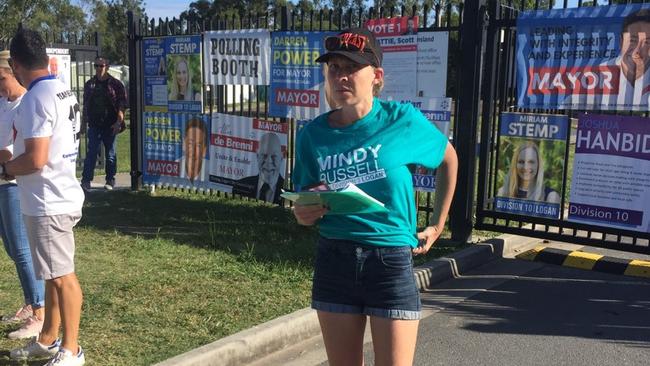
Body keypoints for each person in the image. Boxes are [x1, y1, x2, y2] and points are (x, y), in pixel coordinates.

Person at [292, 28, 458, 366]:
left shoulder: (402, 120)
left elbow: (448, 159)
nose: (341, 76)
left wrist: (438, 225)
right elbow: (306, 197)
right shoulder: (312, 135)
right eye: (334, 68)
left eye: (351, 67)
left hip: (390, 261)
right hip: (334, 258)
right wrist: (303, 212)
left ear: (376, 76)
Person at [7, 28, 86, 366]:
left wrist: (7, 169)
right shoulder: (61, 89)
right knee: (52, 275)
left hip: (49, 201)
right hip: (56, 194)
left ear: (15, 64)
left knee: (62, 277)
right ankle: (49, 339)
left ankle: (72, 350)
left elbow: (35, 158)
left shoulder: (36, 98)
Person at [0, 50, 46, 340]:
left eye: (1, 77)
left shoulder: (26, 104)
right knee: (12, 248)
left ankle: (40, 312)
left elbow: (23, 151)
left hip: (13, 183)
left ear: (13, 71)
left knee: (21, 249)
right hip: (1, 181)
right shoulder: (4, 103)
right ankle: (32, 302)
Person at [80, 56, 127, 191]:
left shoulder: (116, 84)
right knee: (91, 153)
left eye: (102, 66)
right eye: (97, 66)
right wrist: (84, 124)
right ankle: (86, 180)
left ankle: (110, 180)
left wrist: (119, 122)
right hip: (94, 125)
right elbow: (86, 106)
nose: (99, 69)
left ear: (107, 67)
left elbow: (122, 105)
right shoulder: (90, 84)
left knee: (110, 154)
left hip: (110, 125)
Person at [232, 132, 285, 204]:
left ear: (281, 158)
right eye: (264, 155)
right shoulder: (240, 185)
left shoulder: (288, 191)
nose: (268, 162)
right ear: (257, 156)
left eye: (274, 156)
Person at [615, 9, 650, 107]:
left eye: (647, 42)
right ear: (621, 42)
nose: (637, 51)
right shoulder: (599, 75)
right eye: (633, 40)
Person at [181, 117, 208, 183]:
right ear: (184, 144)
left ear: (204, 150)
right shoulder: (174, 168)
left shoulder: (210, 172)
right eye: (190, 144)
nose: (193, 151)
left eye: (198, 145)